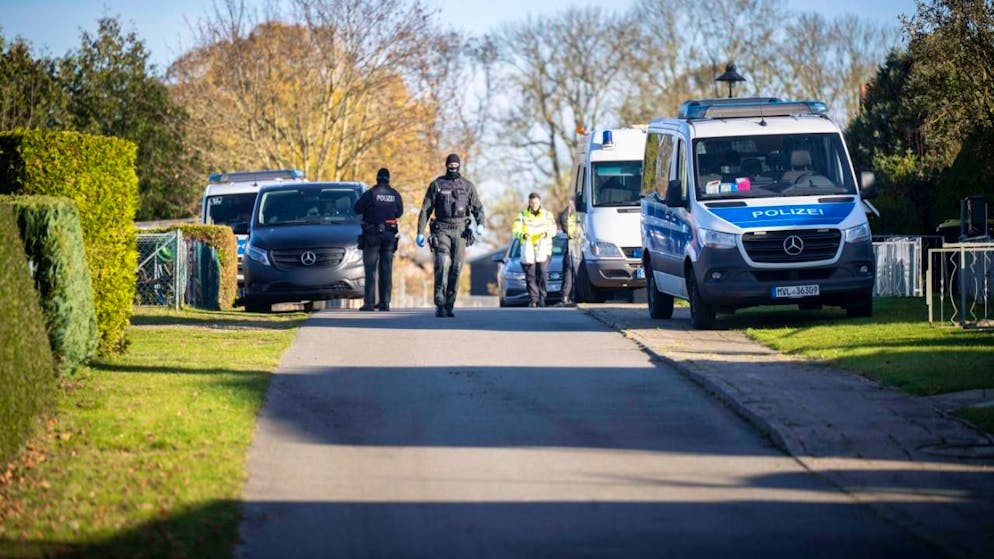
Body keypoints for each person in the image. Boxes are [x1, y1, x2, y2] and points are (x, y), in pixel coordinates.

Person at [416, 154, 485, 317]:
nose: (453, 167)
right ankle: (439, 303)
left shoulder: (467, 186)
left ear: (459, 165)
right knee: (441, 263)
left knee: (456, 267)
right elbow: (426, 209)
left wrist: (480, 223)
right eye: (450, 164)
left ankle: (449, 304)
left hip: (461, 230)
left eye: (455, 164)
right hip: (442, 228)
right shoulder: (437, 184)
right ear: (446, 165)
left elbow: (477, 207)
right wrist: (420, 231)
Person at [354, 168, 403, 311]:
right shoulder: (395, 194)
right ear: (388, 179)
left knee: (370, 269)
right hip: (389, 235)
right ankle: (385, 303)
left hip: (372, 235)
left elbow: (357, 208)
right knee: (386, 269)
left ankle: (369, 303)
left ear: (377, 178)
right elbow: (399, 213)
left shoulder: (371, 193)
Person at [512, 192, 557, 307]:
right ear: (529, 203)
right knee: (530, 275)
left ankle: (542, 298)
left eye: (536, 203)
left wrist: (546, 234)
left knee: (542, 273)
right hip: (528, 250)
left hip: (544, 250)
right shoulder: (522, 215)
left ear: (539, 202)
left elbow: (553, 230)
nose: (534, 205)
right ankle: (533, 299)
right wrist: (523, 235)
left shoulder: (547, 215)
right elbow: (515, 230)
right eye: (532, 203)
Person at [557, 197, 581, 306]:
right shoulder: (570, 214)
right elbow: (563, 218)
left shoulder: (581, 214)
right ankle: (565, 297)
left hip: (581, 246)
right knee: (568, 270)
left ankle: (573, 296)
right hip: (572, 245)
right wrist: (569, 208)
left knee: (576, 272)